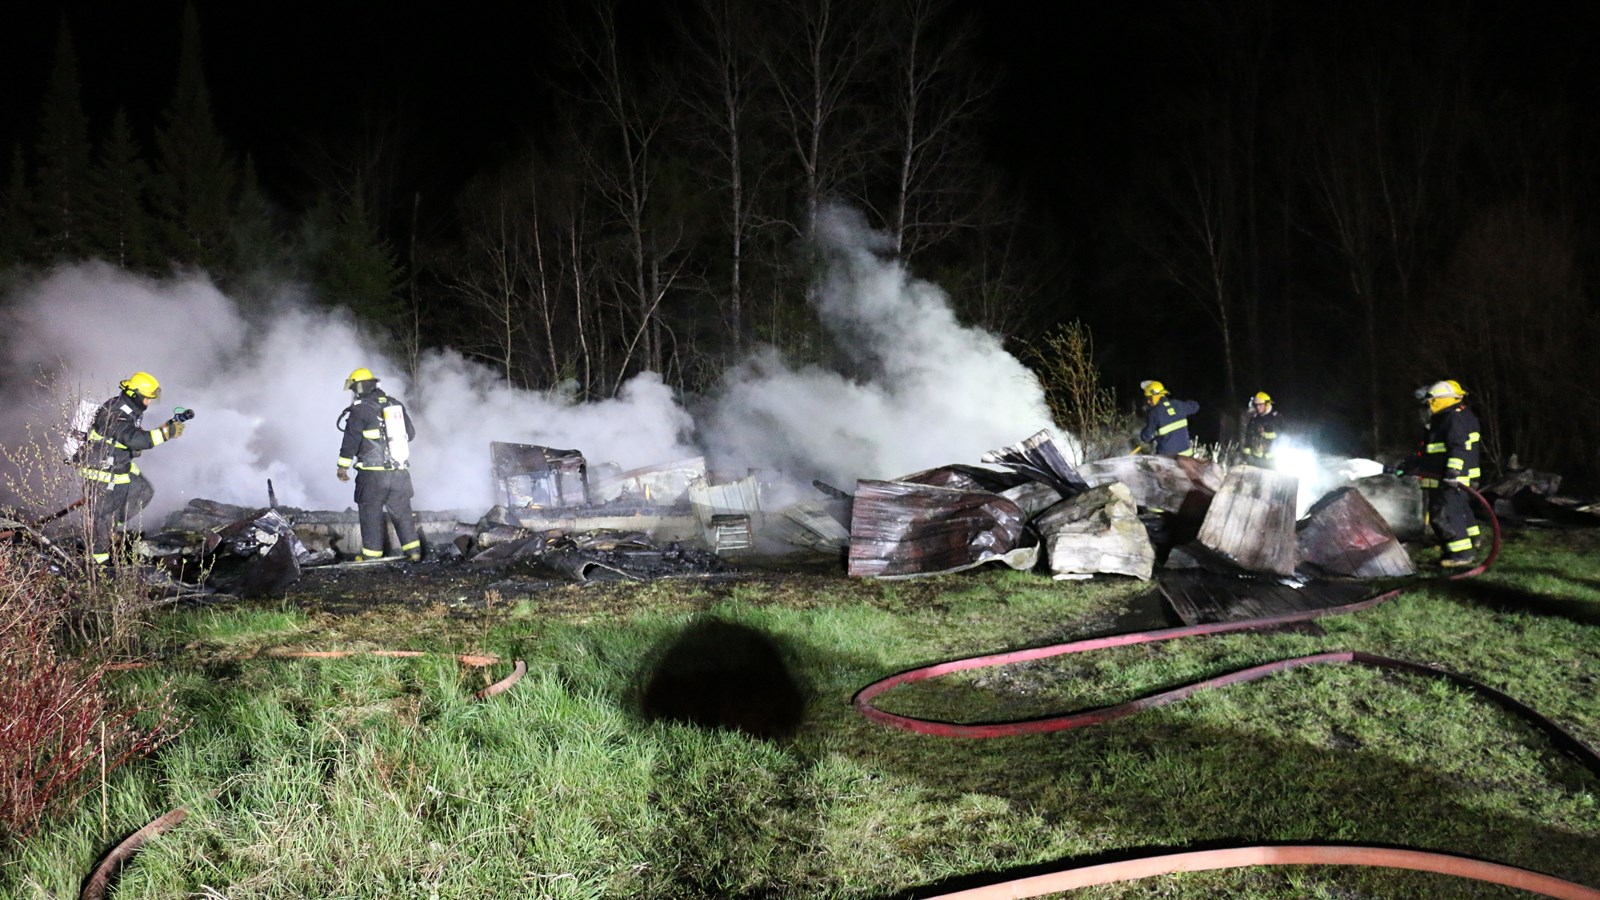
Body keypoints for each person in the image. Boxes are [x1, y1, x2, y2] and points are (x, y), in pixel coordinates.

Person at [76, 372, 185, 567]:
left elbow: (134, 435)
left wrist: (165, 428)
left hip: (118, 467)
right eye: (147, 398)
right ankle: (98, 564)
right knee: (103, 517)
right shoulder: (114, 412)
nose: (149, 402)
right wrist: (166, 434)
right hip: (102, 472)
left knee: (143, 491)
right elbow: (132, 439)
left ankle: (111, 529)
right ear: (135, 394)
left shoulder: (130, 410)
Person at [336, 367, 423, 562]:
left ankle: (372, 557)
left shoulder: (360, 410)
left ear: (358, 388)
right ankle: (414, 553)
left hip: (372, 476)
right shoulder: (395, 404)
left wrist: (342, 467)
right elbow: (410, 434)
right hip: (399, 473)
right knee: (403, 514)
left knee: (371, 514)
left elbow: (350, 441)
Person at [1413, 379, 1482, 568]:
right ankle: (1466, 545)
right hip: (1448, 475)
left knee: (1445, 514)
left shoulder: (1451, 418)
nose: (1428, 406)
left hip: (1448, 476)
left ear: (1440, 400)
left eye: (1430, 402)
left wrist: (1453, 471)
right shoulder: (1451, 416)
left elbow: (1457, 447)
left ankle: (1461, 554)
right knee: (1457, 511)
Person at [1138, 380, 1200, 457]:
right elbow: (1195, 406)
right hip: (1186, 455)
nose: (1148, 401)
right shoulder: (1178, 404)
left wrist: (1152, 434)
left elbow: (1146, 436)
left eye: (1149, 398)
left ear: (1156, 396)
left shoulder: (1154, 412)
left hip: (1167, 457)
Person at [1241, 391, 1282, 464]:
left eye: (1260, 405)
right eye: (1256, 405)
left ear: (1267, 404)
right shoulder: (1254, 419)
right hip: (1255, 458)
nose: (1258, 407)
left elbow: (1281, 436)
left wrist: (1265, 434)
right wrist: (1246, 455)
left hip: (1272, 459)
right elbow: (1249, 436)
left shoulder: (1276, 418)